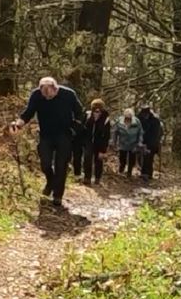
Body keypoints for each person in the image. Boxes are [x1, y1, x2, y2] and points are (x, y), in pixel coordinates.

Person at [9, 75, 84, 207]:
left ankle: (57, 195)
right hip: (46, 135)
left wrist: (74, 129)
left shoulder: (68, 94)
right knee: (45, 163)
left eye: (49, 96)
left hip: (64, 135)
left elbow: (80, 113)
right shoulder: (36, 95)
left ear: (55, 89)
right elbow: (29, 112)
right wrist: (18, 124)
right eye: (44, 96)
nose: (46, 98)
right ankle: (50, 181)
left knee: (61, 166)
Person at [83, 99, 112, 185]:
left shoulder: (106, 119)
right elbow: (83, 129)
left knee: (98, 161)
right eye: (95, 109)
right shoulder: (87, 115)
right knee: (87, 159)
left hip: (100, 143)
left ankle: (97, 178)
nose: (97, 111)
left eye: (99, 109)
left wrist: (103, 150)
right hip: (88, 142)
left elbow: (107, 135)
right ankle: (87, 177)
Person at [112, 108, 141, 177]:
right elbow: (115, 132)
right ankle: (121, 170)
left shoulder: (137, 121)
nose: (128, 119)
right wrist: (114, 142)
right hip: (123, 143)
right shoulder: (119, 121)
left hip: (133, 143)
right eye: (126, 117)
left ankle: (129, 172)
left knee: (132, 159)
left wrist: (139, 143)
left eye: (129, 118)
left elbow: (140, 133)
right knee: (122, 158)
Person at [136, 106, 163, 181]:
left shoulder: (155, 121)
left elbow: (156, 134)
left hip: (152, 143)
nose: (144, 115)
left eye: (146, 113)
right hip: (141, 142)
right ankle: (144, 172)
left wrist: (149, 144)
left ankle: (147, 174)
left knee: (149, 158)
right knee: (140, 158)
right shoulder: (139, 119)